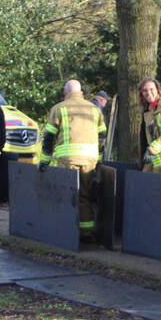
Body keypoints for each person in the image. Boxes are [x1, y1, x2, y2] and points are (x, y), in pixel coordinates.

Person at [39, 79, 106, 238]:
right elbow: (102, 137)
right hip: (89, 160)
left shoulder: (58, 108)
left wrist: (44, 161)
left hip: (68, 160)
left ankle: (66, 233)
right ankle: (86, 232)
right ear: (81, 92)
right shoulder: (95, 109)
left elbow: (49, 138)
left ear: (65, 92)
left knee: (66, 196)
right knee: (85, 196)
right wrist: (99, 161)